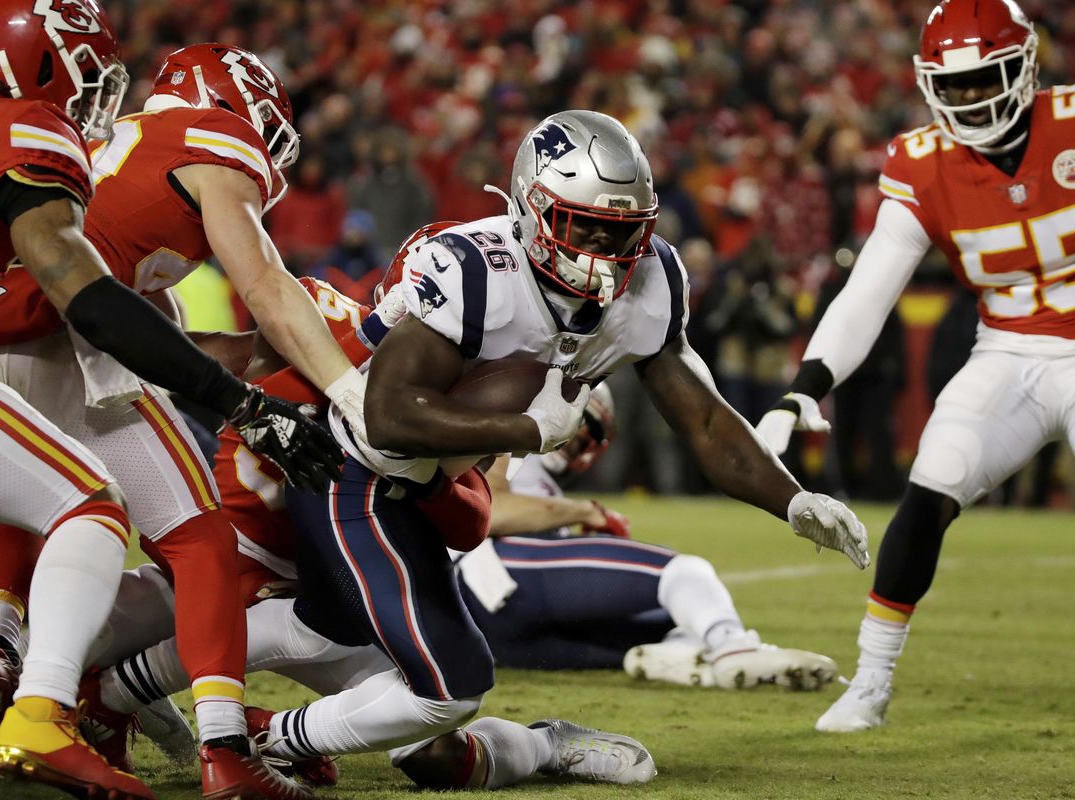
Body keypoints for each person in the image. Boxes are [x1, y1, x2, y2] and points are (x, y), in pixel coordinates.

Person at [244, 110, 868, 787]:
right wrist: (528, 431)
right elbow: (388, 415)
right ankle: (255, 736)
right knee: (444, 682)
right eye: (586, 225)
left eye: (623, 231)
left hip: (441, 495)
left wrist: (793, 499)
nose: (604, 248)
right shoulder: (478, 266)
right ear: (532, 208)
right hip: (359, 470)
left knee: (402, 709)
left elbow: (707, 423)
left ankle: (138, 688)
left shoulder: (652, 281)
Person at [0, 3, 338, 799]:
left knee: (39, 493)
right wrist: (252, 402)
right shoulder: (103, 134)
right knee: (176, 532)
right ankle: (214, 747)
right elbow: (101, 295)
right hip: (29, 336)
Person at [76, 275, 658, 790]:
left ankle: (542, 744)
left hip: (316, 596)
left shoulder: (460, 399)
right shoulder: (317, 321)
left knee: (437, 754)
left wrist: (424, 473)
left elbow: (474, 520)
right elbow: (206, 358)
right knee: (71, 650)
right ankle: (116, 698)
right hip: (213, 561)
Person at [753, 0, 1072, 733]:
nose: (970, 99)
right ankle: (870, 681)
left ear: (1024, 66)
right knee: (936, 475)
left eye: (984, 79)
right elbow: (866, 295)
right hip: (1009, 352)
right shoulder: (923, 163)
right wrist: (804, 389)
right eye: (952, 86)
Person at [463, 384, 837, 691]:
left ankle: (686, 658)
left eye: (586, 433)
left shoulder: (542, 484)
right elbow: (491, 512)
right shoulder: (511, 444)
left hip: (504, 636)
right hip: (487, 581)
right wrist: (586, 511)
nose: (575, 441)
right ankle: (733, 645)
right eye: (579, 426)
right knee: (683, 572)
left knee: (671, 622)